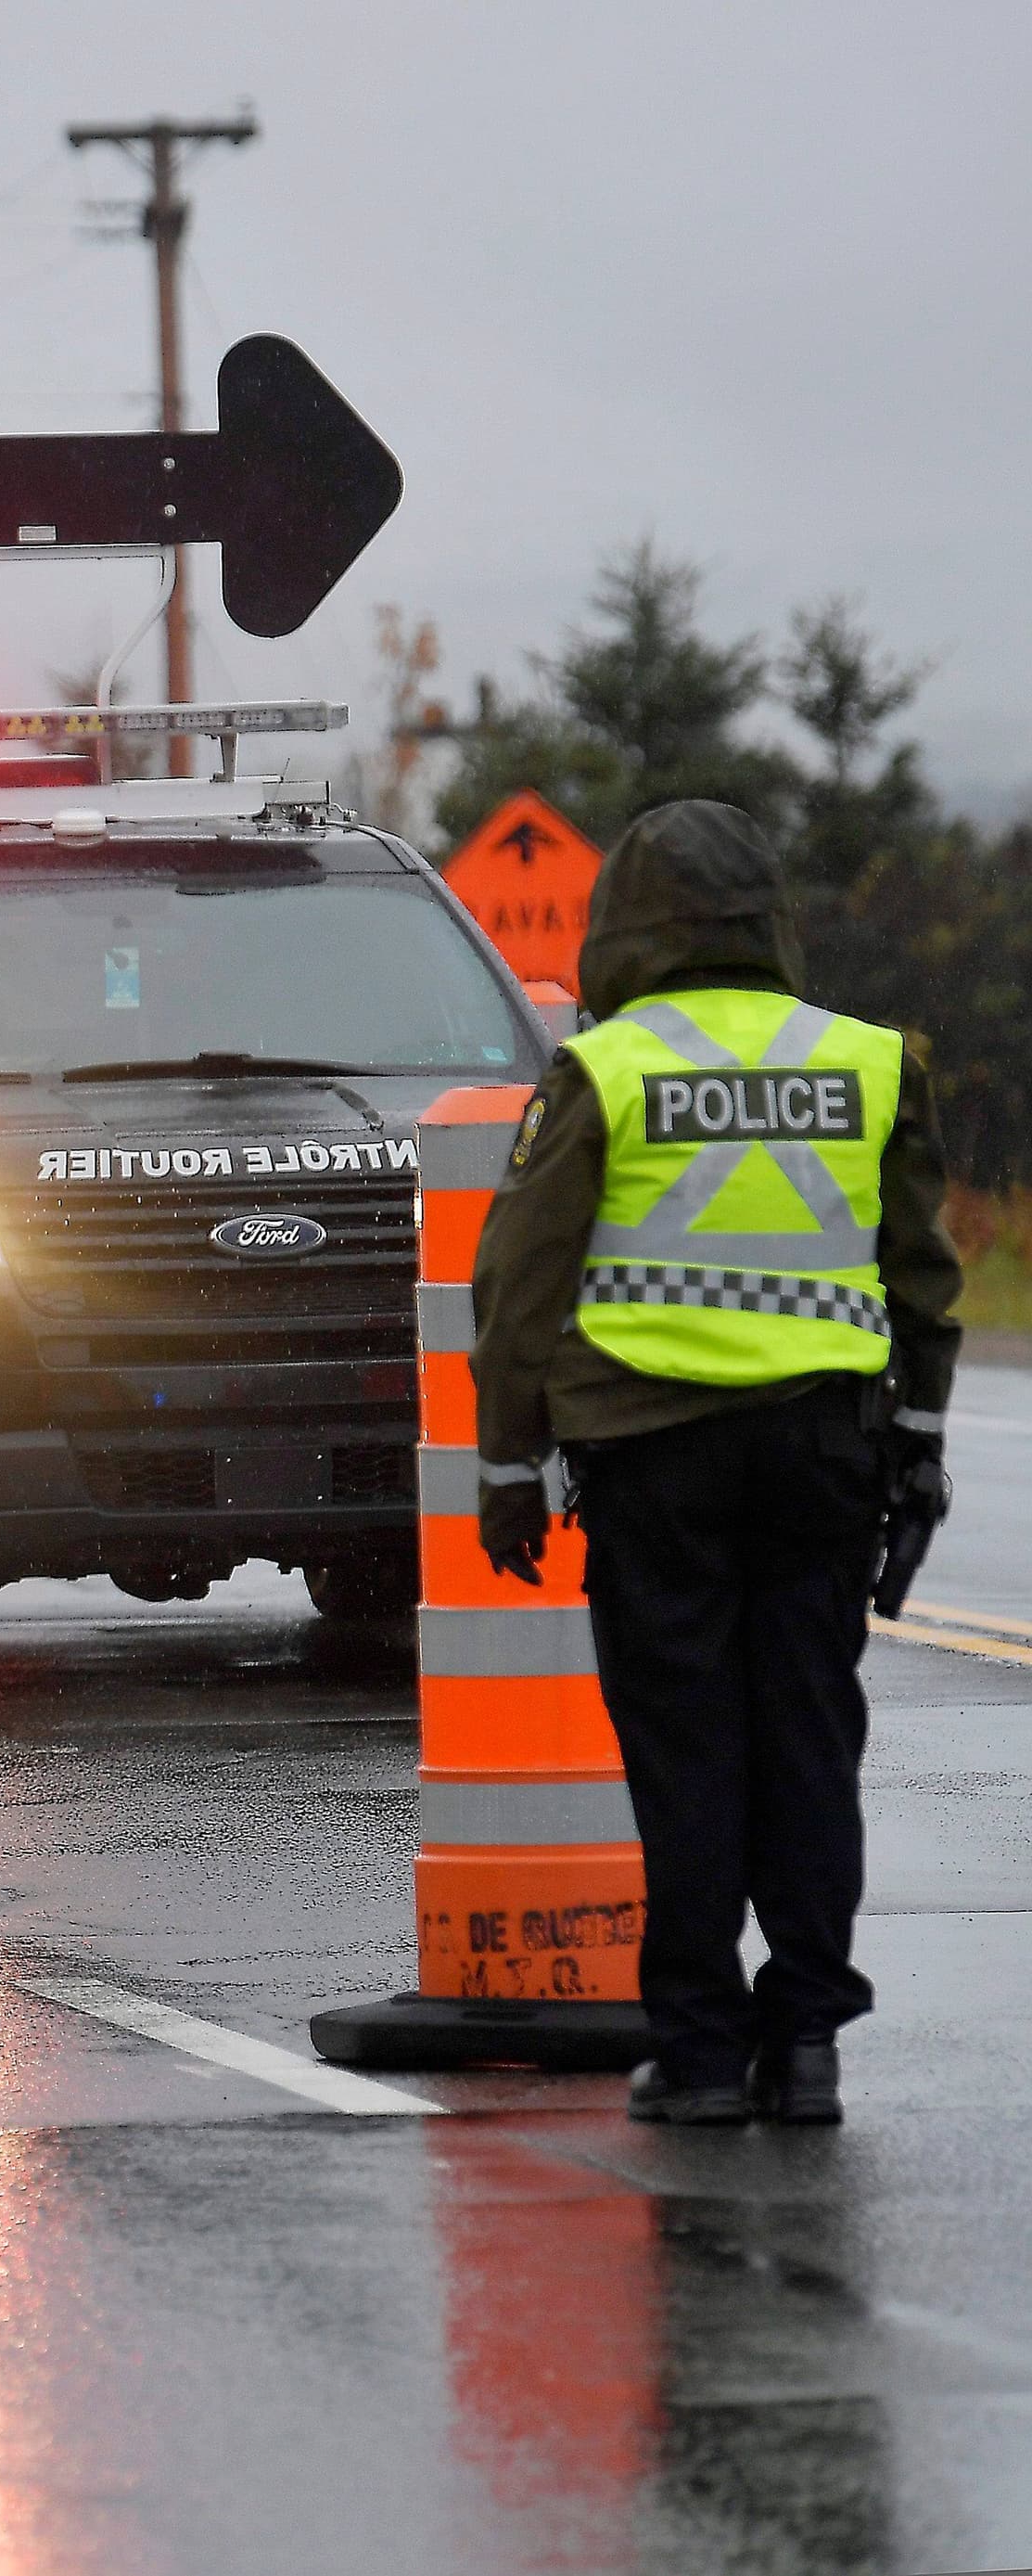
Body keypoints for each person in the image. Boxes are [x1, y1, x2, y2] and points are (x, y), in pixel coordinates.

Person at [470, 801, 960, 2129]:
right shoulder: (868, 1062)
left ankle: (695, 2053)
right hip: (825, 1453)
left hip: (651, 1455)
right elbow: (921, 1274)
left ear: (623, 923)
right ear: (774, 922)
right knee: (807, 1741)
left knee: (686, 1748)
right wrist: (919, 1450)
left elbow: (518, 1281)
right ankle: (807, 2045)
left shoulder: (606, 1069)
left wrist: (506, 1466)